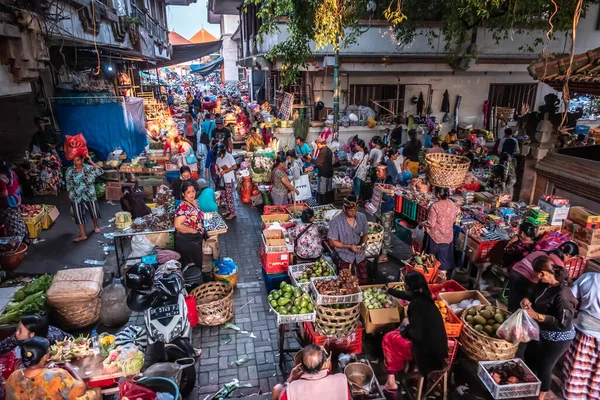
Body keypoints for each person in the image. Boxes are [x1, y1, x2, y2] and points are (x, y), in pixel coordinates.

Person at [382, 271, 448, 392]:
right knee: (398, 330)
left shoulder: (416, 306)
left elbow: (417, 336)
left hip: (426, 352)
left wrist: (407, 325)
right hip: (439, 347)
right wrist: (391, 291)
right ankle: (409, 370)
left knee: (388, 338)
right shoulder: (426, 297)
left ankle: (391, 382)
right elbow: (410, 296)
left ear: (408, 287)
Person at [521, 256, 576, 400]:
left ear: (543, 273)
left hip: (559, 337)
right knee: (530, 355)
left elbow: (562, 322)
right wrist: (527, 300)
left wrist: (538, 316)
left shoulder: (562, 294)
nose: (537, 277)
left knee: (545, 367)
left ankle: (541, 396)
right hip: (543, 331)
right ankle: (529, 386)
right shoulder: (544, 284)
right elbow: (534, 295)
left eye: (537, 274)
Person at [5, 337, 87, 400]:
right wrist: (71, 369)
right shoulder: (58, 375)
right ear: (45, 357)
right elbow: (81, 391)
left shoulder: (13, 377)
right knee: (93, 392)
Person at [507, 241, 579, 312]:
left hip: (515, 270)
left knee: (513, 299)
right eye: (570, 258)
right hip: (524, 278)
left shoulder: (546, 251)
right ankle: (514, 316)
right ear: (567, 255)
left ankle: (510, 313)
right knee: (520, 303)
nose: (568, 260)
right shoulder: (557, 262)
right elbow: (561, 278)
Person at [562, 271, 600, 400]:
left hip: (585, 331)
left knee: (579, 367)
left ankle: (574, 395)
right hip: (588, 329)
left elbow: (569, 295)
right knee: (597, 372)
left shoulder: (589, 278)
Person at [271, 344, 349, 400]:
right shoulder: (341, 379)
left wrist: (290, 379)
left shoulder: (292, 388)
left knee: (278, 388)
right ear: (324, 365)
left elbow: (281, 397)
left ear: (301, 366)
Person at [328, 195, 369, 284]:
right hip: (344, 256)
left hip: (360, 256)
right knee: (346, 283)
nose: (353, 213)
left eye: (355, 210)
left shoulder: (362, 217)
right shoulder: (336, 222)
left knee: (363, 280)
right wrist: (349, 246)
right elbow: (332, 242)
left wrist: (362, 244)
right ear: (344, 208)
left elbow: (365, 233)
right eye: (350, 211)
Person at [65, 155, 103, 242]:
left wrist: (91, 161)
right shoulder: (69, 170)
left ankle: (96, 226)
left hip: (89, 194)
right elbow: (68, 184)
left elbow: (100, 171)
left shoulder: (89, 168)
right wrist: (69, 196)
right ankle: (83, 234)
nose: (76, 163)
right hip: (76, 195)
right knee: (78, 215)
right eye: (74, 161)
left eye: (78, 160)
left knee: (94, 211)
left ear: (82, 160)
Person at [421, 187, 459, 276]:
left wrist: (421, 224)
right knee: (443, 264)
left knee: (430, 261)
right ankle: (442, 280)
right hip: (447, 237)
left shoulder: (435, 206)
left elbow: (431, 224)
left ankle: (430, 278)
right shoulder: (452, 204)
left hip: (435, 238)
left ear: (438, 194)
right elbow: (454, 219)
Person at [174, 181, 205, 278]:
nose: (192, 194)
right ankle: (190, 287)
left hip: (194, 240)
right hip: (187, 242)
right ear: (183, 194)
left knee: (196, 265)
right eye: (188, 192)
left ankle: (196, 284)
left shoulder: (193, 203)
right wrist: (192, 230)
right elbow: (178, 225)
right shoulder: (183, 207)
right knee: (190, 267)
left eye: (193, 191)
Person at [0, 315, 71, 356]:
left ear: (32, 334)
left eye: (20, 330)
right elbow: (2, 346)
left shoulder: (50, 341)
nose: (16, 333)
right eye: (17, 328)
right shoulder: (19, 336)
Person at [374, 164, 396, 263]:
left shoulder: (390, 180)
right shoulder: (378, 181)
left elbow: (393, 191)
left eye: (379, 171)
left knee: (386, 232)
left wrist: (382, 190)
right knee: (379, 230)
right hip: (378, 209)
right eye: (376, 171)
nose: (377, 173)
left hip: (387, 209)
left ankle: (384, 254)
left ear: (385, 171)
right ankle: (379, 249)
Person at [0, 161, 27, 239]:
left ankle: (17, 242)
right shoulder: (12, 173)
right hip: (16, 200)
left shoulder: (1, 178)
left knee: (13, 224)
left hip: (8, 204)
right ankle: (25, 237)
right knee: (17, 220)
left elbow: (4, 193)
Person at [215, 145, 237, 219]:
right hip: (222, 180)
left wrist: (225, 171)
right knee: (224, 196)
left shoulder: (229, 156)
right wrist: (217, 171)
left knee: (229, 196)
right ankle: (228, 210)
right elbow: (216, 164)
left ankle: (232, 212)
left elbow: (235, 166)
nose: (220, 156)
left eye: (220, 155)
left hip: (229, 179)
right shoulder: (218, 157)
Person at [312, 138, 334, 205]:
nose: (316, 146)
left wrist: (310, 159)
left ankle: (323, 204)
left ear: (320, 143)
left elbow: (317, 162)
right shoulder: (328, 150)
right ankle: (328, 203)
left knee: (322, 190)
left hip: (324, 173)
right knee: (328, 189)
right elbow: (323, 162)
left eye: (316, 145)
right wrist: (313, 167)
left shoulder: (323, 151)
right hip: (329, 172)